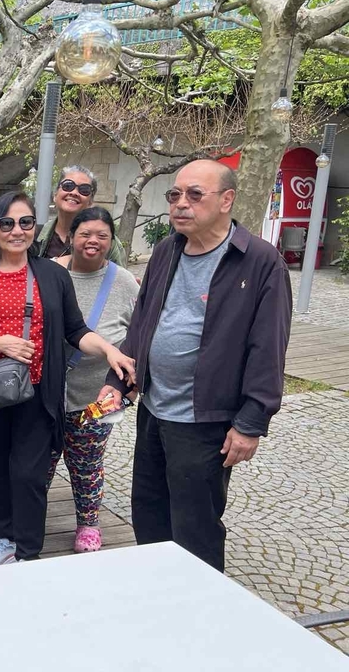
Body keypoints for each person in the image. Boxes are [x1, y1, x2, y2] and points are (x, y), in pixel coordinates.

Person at [99, 160, 292, 572]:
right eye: (174, 195)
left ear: (226, 200)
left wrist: (252, 421)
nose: (180, 204)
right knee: (148, 512)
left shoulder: (259, 261)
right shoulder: (167, 250)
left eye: (193, 195)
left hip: (206, 419)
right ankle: (157, 593)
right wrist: (118, 381)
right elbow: (143, 322)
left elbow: (268, 347)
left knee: (195, 526)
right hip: (154, 410)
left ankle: (201, 612)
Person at [0, 191, 135, 567]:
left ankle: (29, 550)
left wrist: (109, 350)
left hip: (38, 393)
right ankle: (3, 537)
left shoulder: (53, 274)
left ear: (35, 227)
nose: (17, 231)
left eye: (25, 222)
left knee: (29, 474)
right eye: (7, 223)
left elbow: (76, 330)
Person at [47, 207, 140, 553]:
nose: (93, 241)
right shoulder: (51, 273)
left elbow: (140, 333)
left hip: (98, 397)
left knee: (86, 462)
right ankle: (27, 517)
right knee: (41, 460)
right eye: (85, 234)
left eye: (102, 235)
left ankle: (88, 524)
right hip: (48, 392)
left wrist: (131, 383)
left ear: (111, 241)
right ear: (71, 236)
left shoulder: (124, 281)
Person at [36, 166, 126, 264]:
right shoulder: (35, 236)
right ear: (55, 194)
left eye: (84, 190)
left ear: (90, 201)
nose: (74, 193)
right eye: (68, 186)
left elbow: (119, 276)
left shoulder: (107, 242)